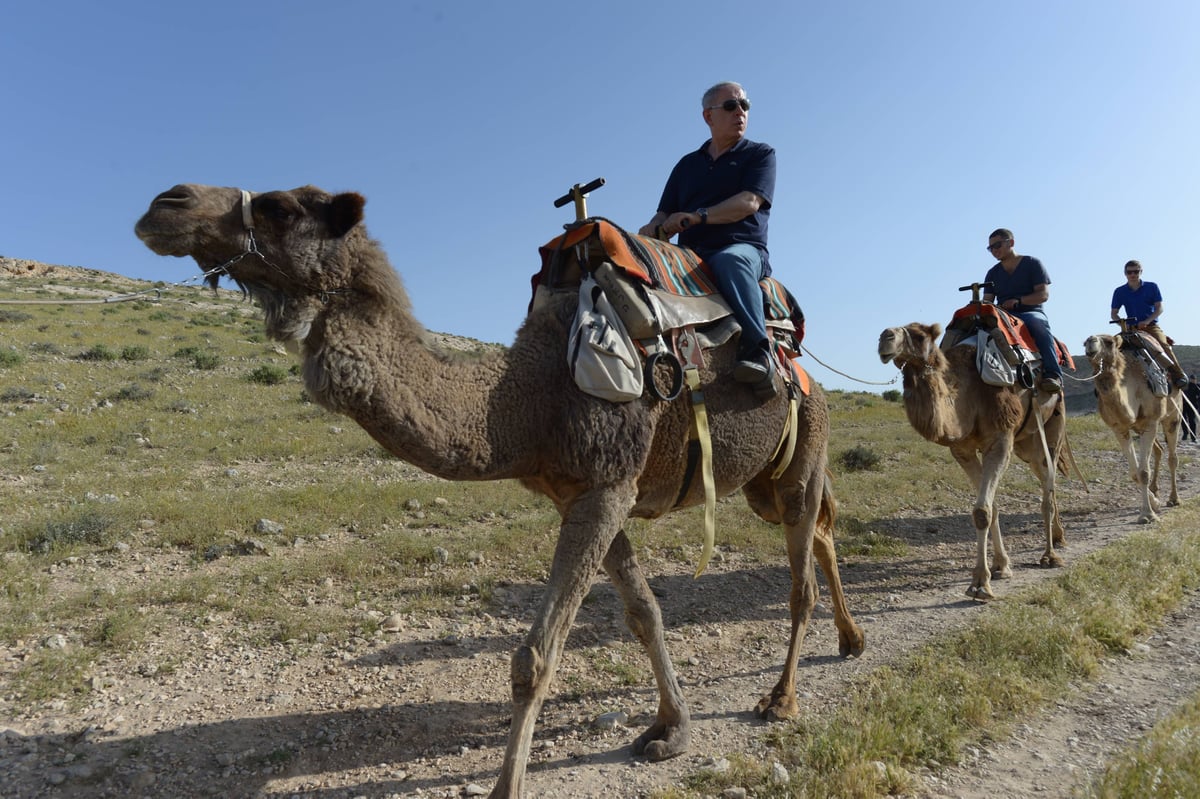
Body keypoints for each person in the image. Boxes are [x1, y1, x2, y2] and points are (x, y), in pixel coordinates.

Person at [638, 81, 777, 397]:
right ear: (708, 116)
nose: (740, 112)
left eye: (745, 105)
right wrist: (650, 230)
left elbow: (749, 203)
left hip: (742, 248)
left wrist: (697, 216)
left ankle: (758, 350)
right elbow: (663, 213)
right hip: (690, 253)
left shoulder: (759, 155)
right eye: (731, 106)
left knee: (731, 260)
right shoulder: (687, 165)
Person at [982, 229, 1064, 393]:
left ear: (1011, 242)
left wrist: (1018, 301)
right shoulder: (992, 273)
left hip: (1030, 311)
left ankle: (1053, 374)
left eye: (997, 245)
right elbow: (987, 301)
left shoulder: (1032, 263)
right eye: (990, 248)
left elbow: (1043, 294)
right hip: (1003, 315)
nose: (994, 250)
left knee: (1037, 324)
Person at [1109, 260, 1189, 390]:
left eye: (1136, 271)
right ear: (1125, 274)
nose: (1133, 274)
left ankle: (1178, 374)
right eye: (1130, 272)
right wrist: (1123, 324)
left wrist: (1147, 321)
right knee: (1111, 347)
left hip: (1150, 326)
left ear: (1141, 272)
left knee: (1163, 345)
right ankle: (1107, 380)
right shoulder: (1119, 291)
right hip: (1129, 328)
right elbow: (1114, 314)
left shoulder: (1152, 287)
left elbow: (1159, 308)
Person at [1183, 375, 1200, 443]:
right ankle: (1185, 434)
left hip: (1192, 406)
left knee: (1192, 421)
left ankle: (1193, 436)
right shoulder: (1184, 386)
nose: (1192, 380)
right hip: (1183, 405)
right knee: (1183, 420)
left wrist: (1197, 402)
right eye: (1191, 379)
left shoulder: (1196, 386)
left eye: (1194, 379)